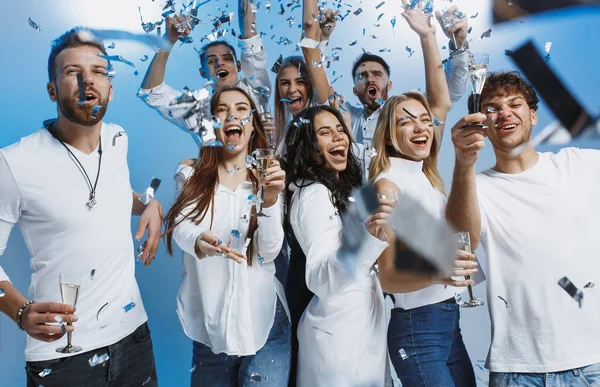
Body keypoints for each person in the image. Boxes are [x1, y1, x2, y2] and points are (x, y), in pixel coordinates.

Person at [0, 28, 162, 387]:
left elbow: (113, 193)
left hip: (134, 338)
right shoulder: (14, 163)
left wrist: (149, 204)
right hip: (62, 359)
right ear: (52, 90)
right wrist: (20, 311)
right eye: (73, 71)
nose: (88, 79)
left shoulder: (118, 138)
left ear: (111, 87)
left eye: (99, 71)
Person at [446, 71, 600, 386]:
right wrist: (463, 161)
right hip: (517, 370)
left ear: (532, 114)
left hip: (593, 363)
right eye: (492, 108)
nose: (504, 113)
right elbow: (463, 239)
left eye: (514, 104)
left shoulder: (581, 166)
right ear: (482, 126)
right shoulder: (473, 186)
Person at [163, 86, 291, 387]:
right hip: (209, 323)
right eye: (222, 109)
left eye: (242, 108)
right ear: (213, 124)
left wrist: (271, 199)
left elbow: (268, 252)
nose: (232, 114)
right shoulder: (190, 173)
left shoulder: (268, 174)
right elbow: (181, 227)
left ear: (253, 123)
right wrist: (198, 241)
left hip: (265, 321)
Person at [369, 92, 478, 386]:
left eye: (425, 121)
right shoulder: (388, 185)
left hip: (448, 321)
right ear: (389, 137)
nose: (420, 128)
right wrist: (441, 272)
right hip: (418, 327)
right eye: (406, 122)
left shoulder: (428, 181)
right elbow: (388, 279)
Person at [284, 105, 390, 387]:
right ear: (308, 146)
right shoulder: (314, 195)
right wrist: (366, 237)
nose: (339, 137)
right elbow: (319, 277)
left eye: (340, 129)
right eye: (324, 132)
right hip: (339, 341)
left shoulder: (341, 189)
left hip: (360, 333)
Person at [302, 0, 470, 178]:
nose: (370, 79)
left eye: (377, 74)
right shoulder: (345, 117)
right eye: (363, 76)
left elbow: (445, 97)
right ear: (354, 91)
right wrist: (323, 40)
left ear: (389, 85)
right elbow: (320, 82)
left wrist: (458, 47)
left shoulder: (404, 117)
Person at [138, 0, 272, 146]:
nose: (220, 63)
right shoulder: (198, 109)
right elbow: (152, 93)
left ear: (238, 66)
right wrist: (169, 40)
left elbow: (250, 40)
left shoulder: (256, 89)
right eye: (212, 61)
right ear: (203, 73)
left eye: (227, 59)